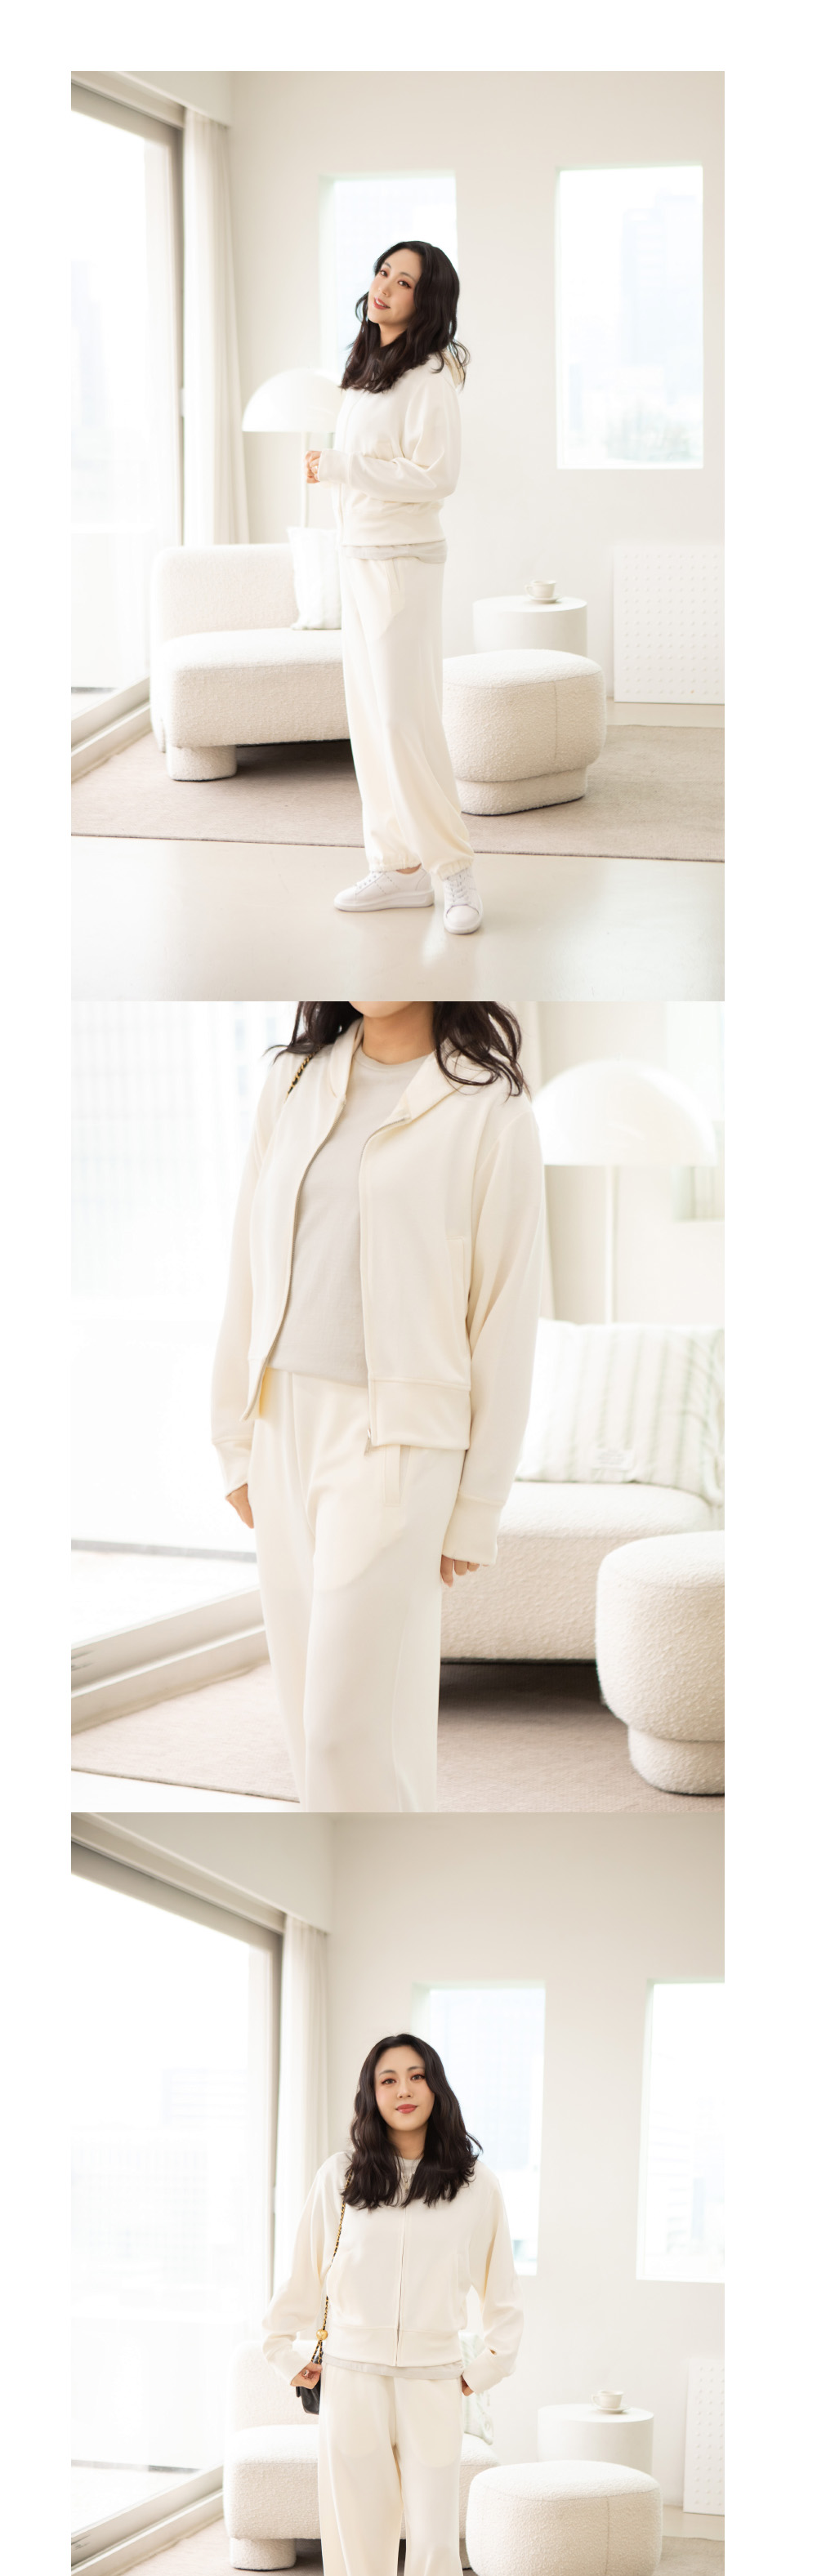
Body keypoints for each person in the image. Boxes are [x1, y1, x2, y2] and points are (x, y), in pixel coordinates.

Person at [211, 997, 545, 1811]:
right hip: (280, 1421)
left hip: (396, 1442)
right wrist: (233, 1437)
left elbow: (505, 1319)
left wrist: (477, 1504)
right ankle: (357, 1881)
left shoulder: (491, 1110)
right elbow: (247, 1264)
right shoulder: (291, 1082)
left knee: (345, 1728)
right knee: (308, 1726)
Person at [262, 2031, 522, 2576]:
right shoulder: (341, 2176)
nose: (403, 2090)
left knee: (435, 2543)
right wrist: (287, 2354)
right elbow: (302, 2278)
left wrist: (484, 2367)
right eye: (387, 2079)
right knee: (359, 2546)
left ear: (436, 2086)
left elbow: (503, 2297)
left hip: (435, 2382)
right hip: (353, 2380)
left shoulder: (474, 2185)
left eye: (415, 2076)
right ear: (371, 2094)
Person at [306, 236, 480, 931]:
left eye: (403, 281)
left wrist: (342, 467)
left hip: (403, 562)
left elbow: (438, 477)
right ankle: (398, 867)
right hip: (358, 555)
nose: (384, 286)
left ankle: (454, 871)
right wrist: (339, 476)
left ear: (425, 298)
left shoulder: (430, 376)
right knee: (370, 722)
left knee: (406, 719)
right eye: (383, 272)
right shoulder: (369, 368)